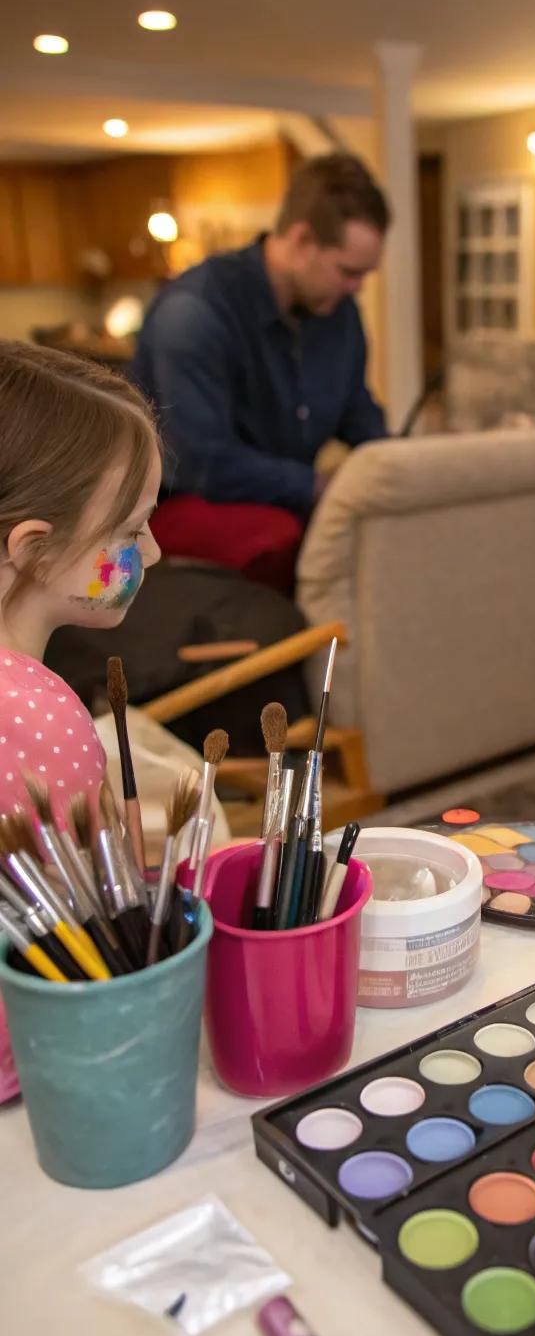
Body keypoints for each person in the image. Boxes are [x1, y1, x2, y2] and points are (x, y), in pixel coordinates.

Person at [0, 339, 163, 1098]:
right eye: (131, 533)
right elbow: (94, 944)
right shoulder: (38, 717)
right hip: (40, 1063)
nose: (154, 554)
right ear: (34, 548)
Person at [133, 151, 390, 542]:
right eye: (349, 271)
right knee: (285, 537)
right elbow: (202, 463)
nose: (358, 288)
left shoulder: (338, 310)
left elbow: (354, 409)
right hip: (188, 509)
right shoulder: (195, 312)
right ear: (302, 240)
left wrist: (402, 466)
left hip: (281, 501)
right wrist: (320, 486)